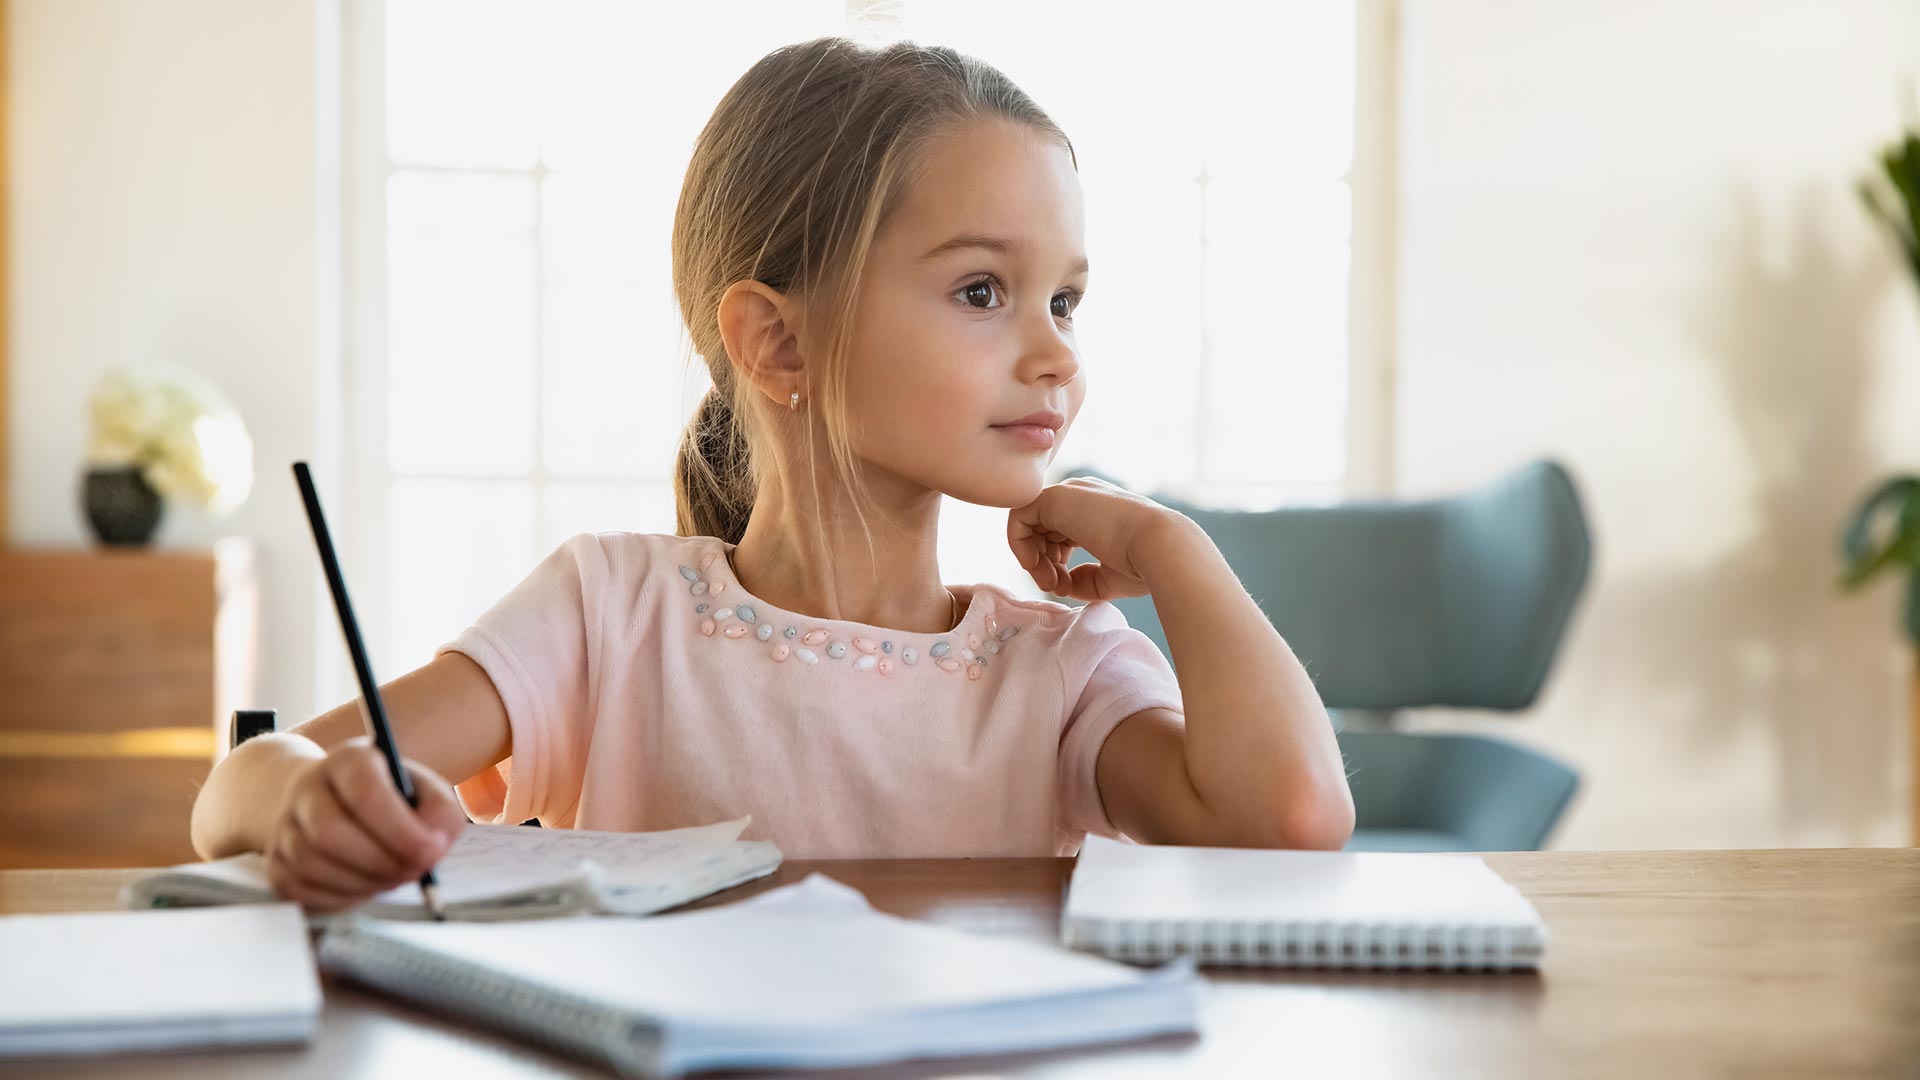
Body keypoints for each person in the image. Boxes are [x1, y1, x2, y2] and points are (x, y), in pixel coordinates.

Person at [190, 36, 1354, 911]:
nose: (1055, 353)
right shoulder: (609, 615)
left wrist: (1178, 556)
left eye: (1066, 301)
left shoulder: (1059, 673)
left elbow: (1291, 823)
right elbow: (234, 792)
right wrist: (305, 799)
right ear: (778, 343)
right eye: (983, 292)